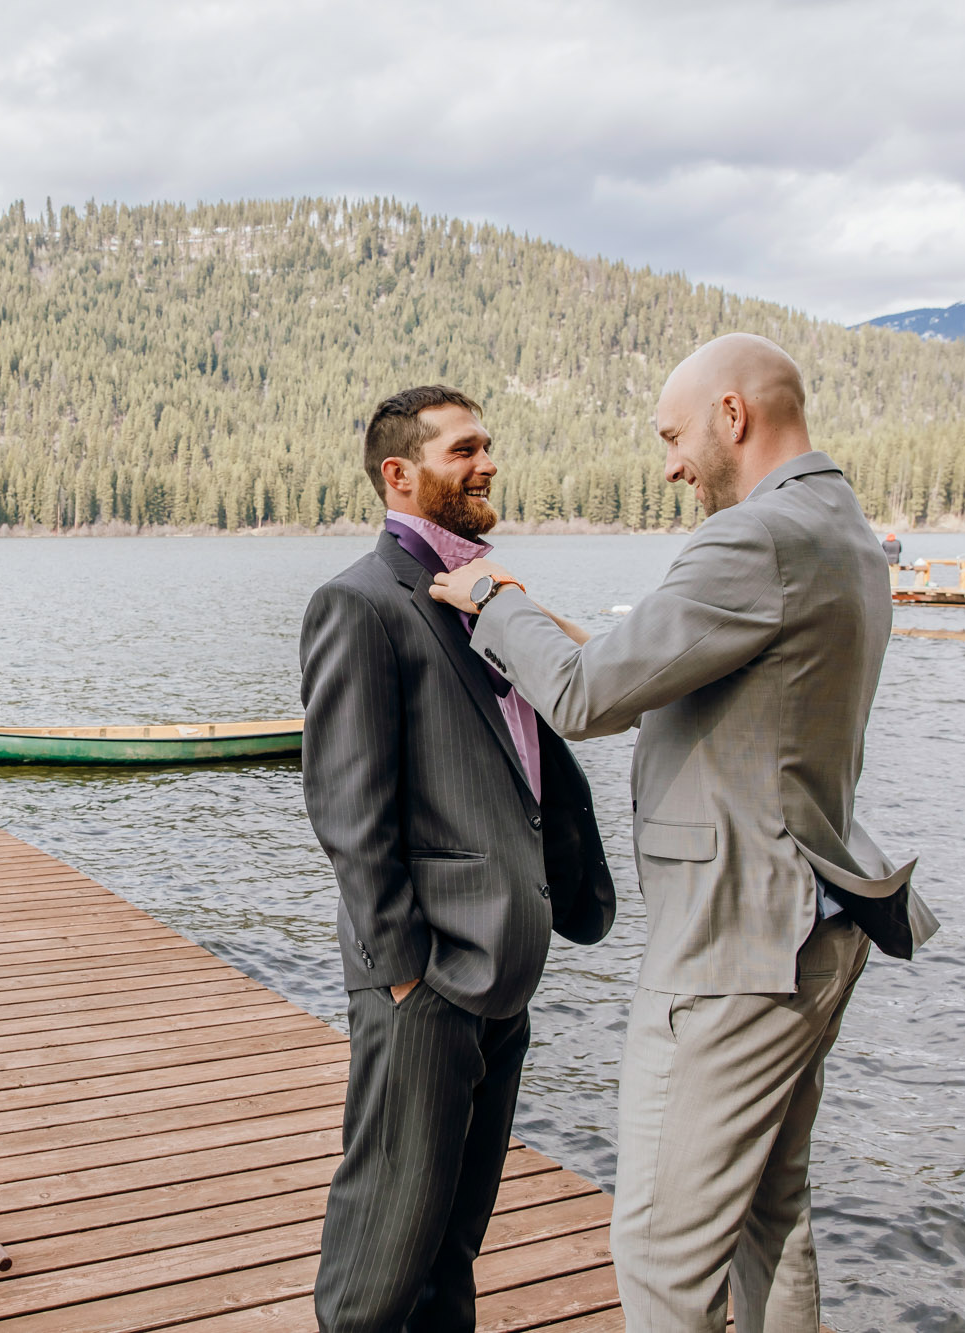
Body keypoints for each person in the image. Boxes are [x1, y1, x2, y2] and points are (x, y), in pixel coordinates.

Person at [431, 335, 938, 1333]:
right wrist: (555, 624)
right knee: (764, 1216)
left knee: (659, 1249)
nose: (669, 463)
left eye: (673, 436)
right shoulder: (837, 526)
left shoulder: (753, 539)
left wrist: (491, 599)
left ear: (732, 417)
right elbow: (671, 663)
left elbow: (582, 697)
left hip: (735, 944)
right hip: (814, 920)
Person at [300, 385, 616, 1333]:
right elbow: (349, 806)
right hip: (428, 980)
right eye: (463, 449)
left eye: (489, 445)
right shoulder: (360, 603)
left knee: (449, 1252)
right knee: (379, 1260)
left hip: (504, 969)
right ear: (400, 473)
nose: (487, 463)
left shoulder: (487, 598)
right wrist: (402, 973)